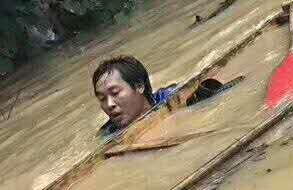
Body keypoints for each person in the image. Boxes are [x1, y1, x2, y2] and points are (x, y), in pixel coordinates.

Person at [92, 55, 230, 136]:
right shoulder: (107, 133)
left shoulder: (173, 98)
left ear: (139, 86)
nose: (109, 104)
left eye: (115, 93)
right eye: (102, 99)